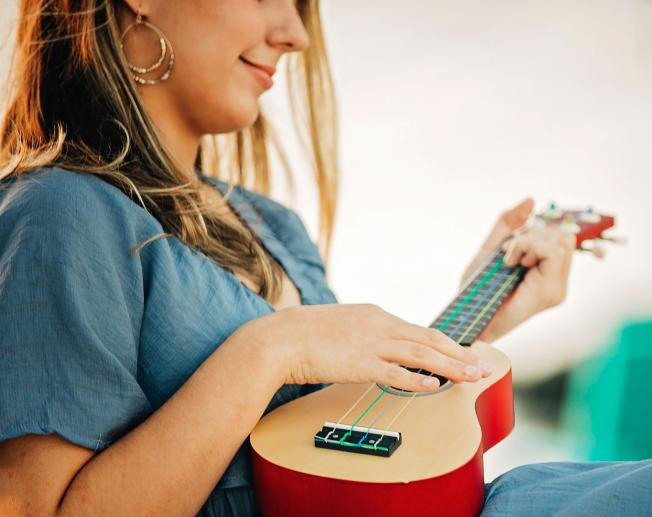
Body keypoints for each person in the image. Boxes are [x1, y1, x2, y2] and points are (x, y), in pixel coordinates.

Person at [0, 1, 649, 516]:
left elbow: (343, 445)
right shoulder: (62, 211)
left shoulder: (269, 222)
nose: (294, 34)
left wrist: (481, 310)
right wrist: (271, 348)